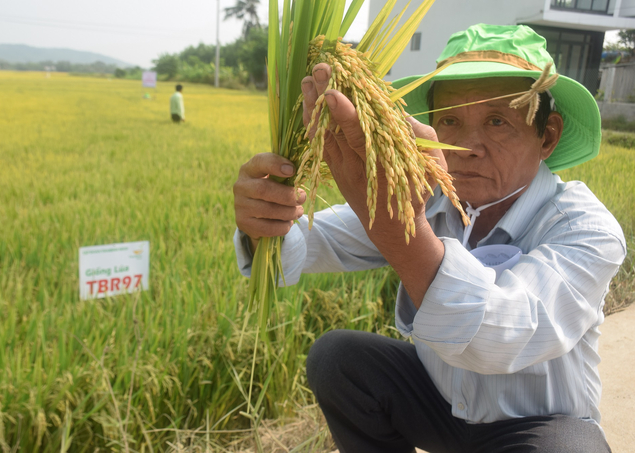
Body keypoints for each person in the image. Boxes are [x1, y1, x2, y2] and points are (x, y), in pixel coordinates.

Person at [232, 24, 626, 452]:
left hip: (534, 428)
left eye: (497, 121)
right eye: (450, 121)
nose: (468, 146)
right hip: (440, 409)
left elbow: (503, 335)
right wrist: (266, 219)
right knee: (339, 359)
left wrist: (403, 234)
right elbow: (307, 242)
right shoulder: (428, 200)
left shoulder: (583, 228)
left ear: (546, 134)